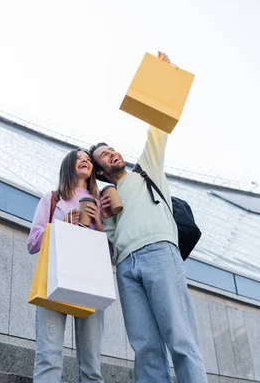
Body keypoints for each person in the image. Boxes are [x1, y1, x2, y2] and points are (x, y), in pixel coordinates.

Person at [89, 127, 207, 383]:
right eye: (104, 156)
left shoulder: (147, 169)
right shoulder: (110, 198)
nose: (112, 154)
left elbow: (158, 131)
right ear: (100, 171)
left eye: (112, 150)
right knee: (145, 347)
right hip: (125, 267)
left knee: (180, 336)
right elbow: (111, 240)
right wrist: (107, 218)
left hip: (159, 252)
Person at [27, 149, 105, 383]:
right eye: (80, 157)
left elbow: (110, 253)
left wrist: (100, 225)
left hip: (91, 281)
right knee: (48, 357)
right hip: (56, 276)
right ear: (69, 164)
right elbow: (32, 242)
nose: (85, 161)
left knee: (92, 364)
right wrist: (61, 225)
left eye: (89, 159)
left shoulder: (101, 203)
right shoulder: (52, 199)